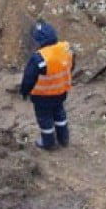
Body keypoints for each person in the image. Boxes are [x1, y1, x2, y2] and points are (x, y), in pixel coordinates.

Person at [19, 19, 74, 151]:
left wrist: (24, 92)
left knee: (45, 119)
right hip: (61, 92)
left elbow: (29, 78)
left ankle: (48, 142)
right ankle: (63, 138)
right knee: (60, 114)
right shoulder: (66, 49)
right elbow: (70, 66)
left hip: (42, 96)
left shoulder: (39, 58)